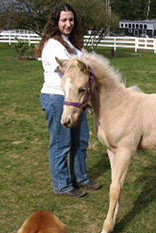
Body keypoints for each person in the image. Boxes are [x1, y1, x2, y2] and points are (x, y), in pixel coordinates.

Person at [39, 2, 101, 198]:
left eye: (71, 19)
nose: (68, 23)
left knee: (80, 140)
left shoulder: (70, 43)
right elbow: (71, 67)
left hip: (76, 98)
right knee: (61, 143)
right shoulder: (52, 44)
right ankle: (62, 186)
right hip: (57, 98)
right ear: (55, 21)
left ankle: (80, 178)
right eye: (64, 19)